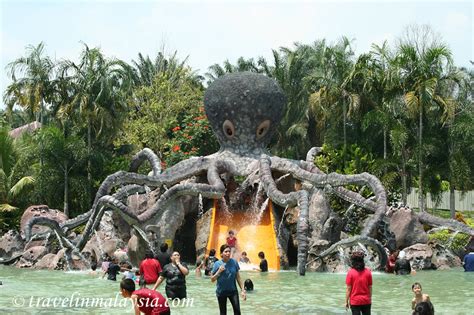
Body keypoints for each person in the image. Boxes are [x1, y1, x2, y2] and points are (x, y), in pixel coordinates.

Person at [211, 244, 246, 315]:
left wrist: (242, 290)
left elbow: (238, 277)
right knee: (223, 313)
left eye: (229, 251)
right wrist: (219, 271)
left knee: (237, 312)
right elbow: (212, 279)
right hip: (221, 292)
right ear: (221, 254)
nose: (228, 253)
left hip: (233, 291)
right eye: (226, 251)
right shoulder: (217, 264)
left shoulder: (234, 262)